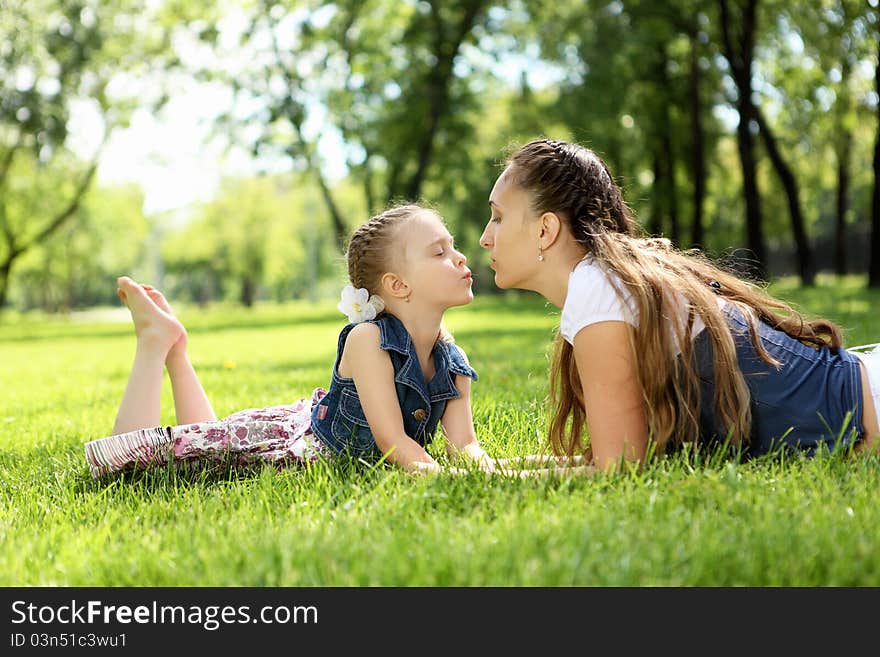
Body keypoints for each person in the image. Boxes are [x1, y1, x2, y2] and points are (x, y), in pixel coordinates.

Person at [85, 203, 588, 479]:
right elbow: (394, 446)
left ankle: (177, 351)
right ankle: (156, 345)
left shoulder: (452, 358)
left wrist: (565, 468)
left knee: (207, 443)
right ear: (397, 286)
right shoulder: (368, 341)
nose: (462, 258)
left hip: (312, 424)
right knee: (135, 464)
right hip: (300, 446)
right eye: (440, 252)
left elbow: (466, 451)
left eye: (453, 247)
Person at [479, 137, 880, 472]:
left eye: (497, 217)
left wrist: (495, 476)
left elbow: (619, 468)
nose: (485, 237)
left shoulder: (595, 287)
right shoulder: (606, 281)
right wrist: (489, 466)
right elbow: (620, 456)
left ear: (546, 230)